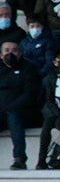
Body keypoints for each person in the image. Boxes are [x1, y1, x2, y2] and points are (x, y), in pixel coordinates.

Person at [0, 41, 41, 170]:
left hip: (23, 112)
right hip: (2, 112)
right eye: (7, 50)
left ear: (20, 53)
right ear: (1, 55)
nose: (10, 53)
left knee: (14, 116)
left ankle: (19, 159)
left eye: (14, 50)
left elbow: (30, 94)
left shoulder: (29, 68)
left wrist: (11, 107)